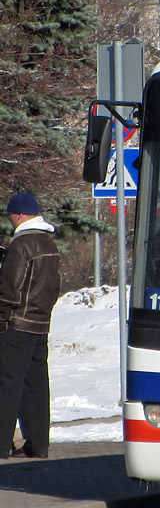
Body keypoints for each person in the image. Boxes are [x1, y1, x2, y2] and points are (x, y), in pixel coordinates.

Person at [0, 191, 60, 459]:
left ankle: (1, 445)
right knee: (36, 386)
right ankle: (38, 445)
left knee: (7, 385)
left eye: (11, 216)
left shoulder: (21, 244)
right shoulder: (49, 243)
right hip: (40, 323)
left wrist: (2, 317)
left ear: (19, 215)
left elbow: (9, 289)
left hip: (16, 324)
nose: (10, 221)